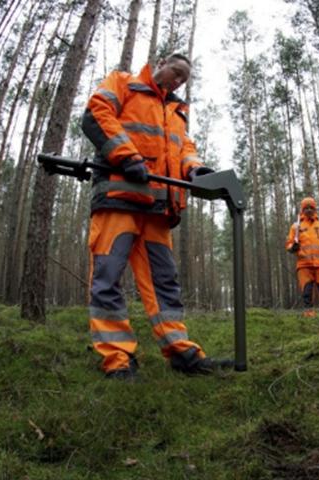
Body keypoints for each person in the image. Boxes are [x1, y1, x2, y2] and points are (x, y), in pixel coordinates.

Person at [80, 53, 232, 380]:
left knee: (165, 284)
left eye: (183, 79)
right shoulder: (123, 84)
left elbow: (184, 148)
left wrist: (196, 169)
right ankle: (117, 359)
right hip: (118, 199)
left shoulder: (176, 113)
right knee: (108, 277)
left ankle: (181, 352)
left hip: (157, 209)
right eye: (175, 72)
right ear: (160, 62)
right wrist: (126, 156)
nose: (178, 81)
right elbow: (96, 114)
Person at [286, 197, 319, 321]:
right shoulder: (296, 226)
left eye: (311, 207)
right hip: (304, 266)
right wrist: (292, 247)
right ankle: (310, 322)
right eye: (306, 208)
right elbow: (288, 244)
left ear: (315, 209)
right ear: (302, 210)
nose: (309, 210)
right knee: (307, 295)